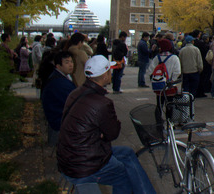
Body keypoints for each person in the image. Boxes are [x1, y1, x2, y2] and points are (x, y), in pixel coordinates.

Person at [57, 55, 156, 193]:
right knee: (123, 174)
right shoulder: (102, 103)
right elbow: (113, 133)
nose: (111, 73)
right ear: (105, 76)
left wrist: (101, 133)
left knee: (127, 153)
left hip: (70, 156)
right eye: (110, 70)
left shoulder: (75, 93)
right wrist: (103, 132)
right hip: (85, 163)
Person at [41, 50, 76, 144]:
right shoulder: (60, 84)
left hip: (57, 117)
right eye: (66, 62)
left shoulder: (58, 77)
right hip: (60, 121)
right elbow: (76, 102)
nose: (71, 65)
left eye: (71, 61)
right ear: (58, 66)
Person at [193, 31, 211, 98]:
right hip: (203, 62)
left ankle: (196, 92)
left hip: (195, 62)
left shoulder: (196, 43)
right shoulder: (202, 44)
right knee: (202, 78)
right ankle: (201, 92)